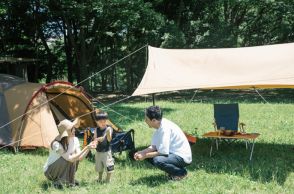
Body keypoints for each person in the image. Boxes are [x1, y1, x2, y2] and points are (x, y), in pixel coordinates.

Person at [134, 105, 192, 181]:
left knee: (158, 160)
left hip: (183, 157)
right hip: (173, 154)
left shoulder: (165, 128)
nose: (145, 121)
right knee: (150, 157)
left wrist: (144, 155)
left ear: (154, 120)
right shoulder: (159, 126)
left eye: (146, 119)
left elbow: (162, 152)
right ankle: (174, 171)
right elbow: (153, 147)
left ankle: (181, 173)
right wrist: (141, 152)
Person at [43, 118, 96, 188]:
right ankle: (60, 180)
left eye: (73, 128)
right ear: (65, 133)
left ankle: (66, 180)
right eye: (71, 129)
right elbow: (69, 159)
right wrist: (86, 148)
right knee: (65, 159)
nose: (74, 130)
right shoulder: (56, 144)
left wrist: (88, 148)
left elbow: (80, 158)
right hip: (51, 171)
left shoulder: (75, 140)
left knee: (75, 158)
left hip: (63, 165)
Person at [93, 111, 114, 183]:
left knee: (108, 166)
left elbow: (109, 139)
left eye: (105, 121)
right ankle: (100, 178)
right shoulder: (96, 130)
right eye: (101, 121)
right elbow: (95, 138)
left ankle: (108, 179)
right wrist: (96, 141)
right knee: (99, 166)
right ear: (97, 122)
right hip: (98, 151)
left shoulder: (109, 129)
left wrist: (107, 134)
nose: (103, 123)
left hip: (106, 152)